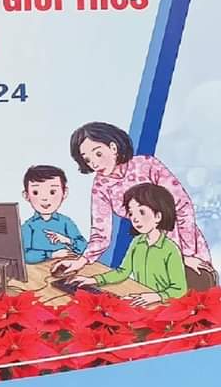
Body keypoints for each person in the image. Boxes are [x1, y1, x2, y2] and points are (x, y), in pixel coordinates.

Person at [57, 121, 215, 289]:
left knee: (198, 294)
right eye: (87, 159)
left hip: (185, 240)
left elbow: (182, 207)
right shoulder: (101, 186)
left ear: (113, 147)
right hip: (150, 248)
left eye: (98, 154)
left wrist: (186, 254)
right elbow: (100, 233)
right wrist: (81, 261)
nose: (94, 164)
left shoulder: (147, 165)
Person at [67, 183, 188, 306]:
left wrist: (157, 296)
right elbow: (123, 272)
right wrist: (93, 280)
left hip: (164, 305)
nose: (135, 219)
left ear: (158, 216)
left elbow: (179, 289)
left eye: (141, 212)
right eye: (131, 213)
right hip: (142, 300)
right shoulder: (137, 242)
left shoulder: (170, 249)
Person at [20, 165, 87, 264]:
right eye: (36, 192)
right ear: (26, 196)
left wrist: (67, 240)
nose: (44, 198)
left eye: (52, 192)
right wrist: (51, 254)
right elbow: (24, 255)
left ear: (64, 193)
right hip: (39, 269)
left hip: (67, 265)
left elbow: (84, 246)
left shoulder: (66, 222)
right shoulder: (28, 226)